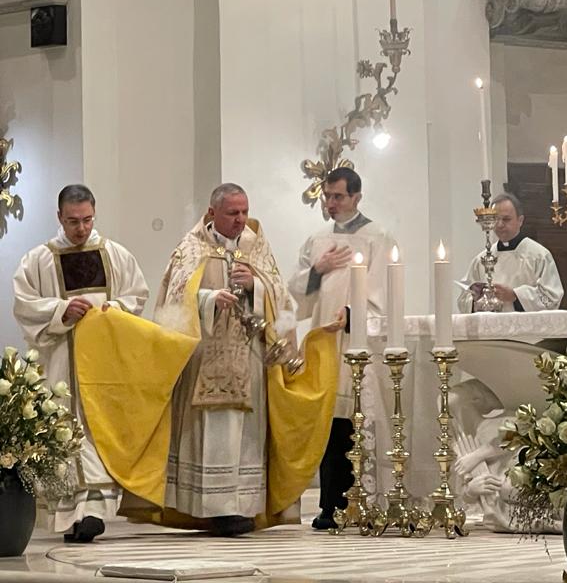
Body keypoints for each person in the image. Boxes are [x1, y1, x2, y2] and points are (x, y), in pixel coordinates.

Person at [125, 183, 336, 536]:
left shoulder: (257, 247)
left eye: (244, 211)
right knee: (213, 434)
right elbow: (172, 300)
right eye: (232, 213)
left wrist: (256, 286)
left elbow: (282, 299)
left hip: (249, 358)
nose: (241, 220)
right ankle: (213, 509)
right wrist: (208, 299)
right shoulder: (191, 248)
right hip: (204, 357)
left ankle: (242, 506)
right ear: (212, 213)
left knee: (246, 437)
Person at [12, 184, 149, 543]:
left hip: (102, 366)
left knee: (96, 429)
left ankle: (92, 514)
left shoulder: (114, 254)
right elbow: (24, 304)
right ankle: (72, 518)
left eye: (87, 220)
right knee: (64, 431)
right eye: (73, 221)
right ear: (59, 216)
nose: (81, 229)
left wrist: (112, 309)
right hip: (60, 364)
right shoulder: (39, 259)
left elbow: (137, 295)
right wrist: (61, 310)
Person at [288, 165, 395, 531]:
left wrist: (354, 312)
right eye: (327, 196)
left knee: (354, 419)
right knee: (327, 421)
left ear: (356, 197)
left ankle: (359, 500)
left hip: (357, 339)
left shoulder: (378, 237)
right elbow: (296, 291)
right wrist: (316, 271)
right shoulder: (317, 239)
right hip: (325, 339)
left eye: (338, 196)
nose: (331, 203)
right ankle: (329, 504)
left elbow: (383, 288)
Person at [457, 193, 563, 313]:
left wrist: (515, 296)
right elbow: (463, 300)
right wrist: (477, 299)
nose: (500, 224)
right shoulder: (481, 260)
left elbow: (552, 298)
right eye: (495, 219)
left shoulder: (539, 256)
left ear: (520, 220)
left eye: (506, 219)